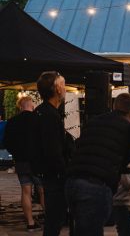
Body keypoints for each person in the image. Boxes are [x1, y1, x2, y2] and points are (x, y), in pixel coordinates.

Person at [65, 93, 130, 235]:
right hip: (96, 184)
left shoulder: (93, 121)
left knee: (80, 229)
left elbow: (79, 146)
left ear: (114, 107)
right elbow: (125, 159)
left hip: (72, 181)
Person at [31, 71, 72, 236]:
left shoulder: (43, 112)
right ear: (57, 89)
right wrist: (65, 173)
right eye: (63, 85)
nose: (66, 88)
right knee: (55, 220)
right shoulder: (49, 115)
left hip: (49, 174)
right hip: (55, 177)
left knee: (54, 220)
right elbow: (53, 150)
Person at [4, 95, 45, 231]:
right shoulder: (38, 119)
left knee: (25, 191)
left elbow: (7, 143)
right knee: (42, 191)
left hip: (21, 162)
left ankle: (30, 223)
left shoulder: (12, 121)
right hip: (38, 162)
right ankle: (49, 219)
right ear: (31, 105)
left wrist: (17, 153)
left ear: (20, 107)